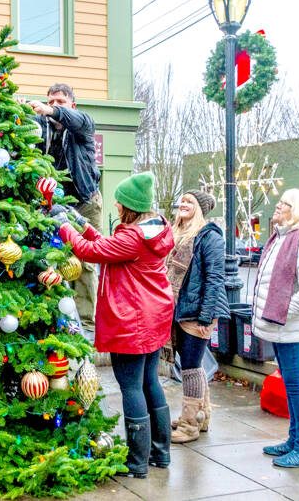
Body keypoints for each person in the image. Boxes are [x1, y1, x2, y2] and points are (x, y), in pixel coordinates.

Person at [55, 172, 175, 478]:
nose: (116, 204)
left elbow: (91, 252)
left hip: (132, 320)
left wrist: (64, 226)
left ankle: (136, 463)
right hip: (154, 317)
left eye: (120, 200)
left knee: (131, 387)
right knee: (150, 382)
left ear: (129, 206)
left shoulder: (132, 237)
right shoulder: (151, 230)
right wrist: (81, 223)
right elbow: (109, 245)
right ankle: (160, 455)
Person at [252, 188, 299, 469]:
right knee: (293, 385)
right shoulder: (281, 239)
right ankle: (294, 441)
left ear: (298, 211)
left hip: (292, 328)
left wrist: (280, 313)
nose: (278, 207)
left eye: (285, 204)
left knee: (297, 387)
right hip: (282, 327)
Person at [23, 84, 101, 336]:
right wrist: (20, 110)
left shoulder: (82, 126)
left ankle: (87, 325)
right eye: (50, 101)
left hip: (84, 202)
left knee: (86, 263)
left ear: (72, 106)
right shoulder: (41, 126)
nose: (54, 105)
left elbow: (80, 121)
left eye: (60, 102)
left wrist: (51, 110)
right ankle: (54, 322)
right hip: (51, 205)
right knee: (49, 258)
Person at [166, 190, 230, 443]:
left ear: (200, 208)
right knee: (193, 363)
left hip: (198, 311)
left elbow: (215, 278)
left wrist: (206, 317)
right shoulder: (177, 234)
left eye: (189, 201)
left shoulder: (209, 236)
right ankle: (202, 414)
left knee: (191, 367)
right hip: (181, 309)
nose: (183, 204)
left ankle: (190, 424)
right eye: (181, 200)